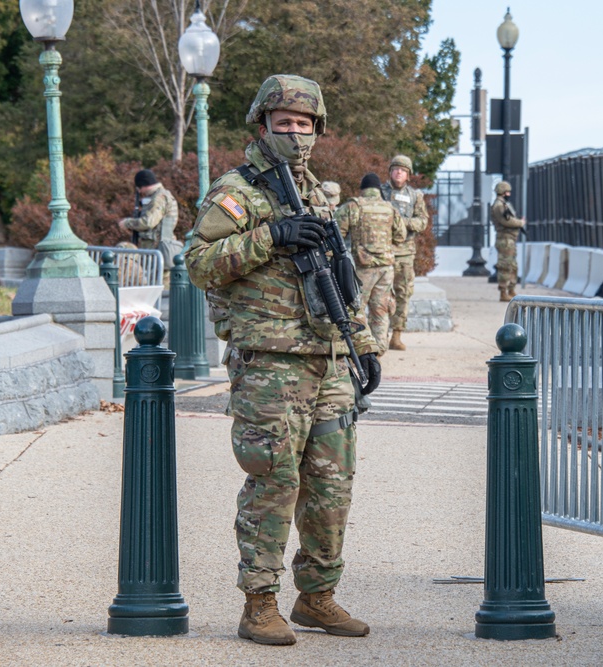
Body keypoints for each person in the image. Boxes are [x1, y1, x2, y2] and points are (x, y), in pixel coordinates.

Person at [184, 74, 381, 646]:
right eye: (284, 123)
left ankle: (317, 596)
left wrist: (363, 345)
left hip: (330, 357)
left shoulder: (318, 191)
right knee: (274, 481)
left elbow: (342, 280)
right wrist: (271, 237)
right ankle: (259, 603)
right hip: (271, 361)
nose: (295, 134)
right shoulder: (238, 192)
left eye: (304, 125)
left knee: (332, 484)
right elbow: (199, 262)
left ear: (316, 130)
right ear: (263, 125)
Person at [335, 173, 406, 354]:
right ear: (378, 190)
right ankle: (378, 351)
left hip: (362, 269)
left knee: (355, 309)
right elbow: (401, 236)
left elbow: (336, 234)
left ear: (363, 189)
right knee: (381, 310)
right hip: (386, 268)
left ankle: (358, 350)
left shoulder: (353, 206)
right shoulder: (390, 208)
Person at [380, 154, 428, 351]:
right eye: (396, 168)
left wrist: (403, 222)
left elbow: (422, 221)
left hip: (405, 253)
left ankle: (397, 335)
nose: (399, 172)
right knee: (381, 295)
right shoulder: (380, 192)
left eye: (403, 170)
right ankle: (380, 334)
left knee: (403, 293)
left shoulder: (415, 196)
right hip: (383, 252)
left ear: (408, 175)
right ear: (390, 171)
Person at [119, 169, 182, 268]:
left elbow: (148, 222)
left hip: (156, 248)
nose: (139, 191)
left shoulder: (158, 198)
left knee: (155, 280)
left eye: (138, 188)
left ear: (143, 185)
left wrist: (127, 223)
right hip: (161, 248)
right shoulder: (161, 195)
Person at [490, 180, 526, 302]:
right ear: (503, 192)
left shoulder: (503, 204)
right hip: (504, 239)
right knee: (505, 266)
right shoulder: (499, 206)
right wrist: (520, 223)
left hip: (509, 239)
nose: (509, 194)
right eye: (507, 191)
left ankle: (511, 289)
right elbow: (506, 221)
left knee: (512, 265)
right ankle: (503, 291)